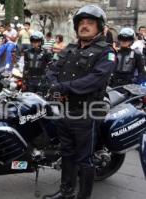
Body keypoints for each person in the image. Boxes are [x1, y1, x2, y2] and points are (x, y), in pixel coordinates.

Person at [45, 5, 116, 199]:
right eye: (81, 23)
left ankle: (83, 196)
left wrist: (64, 88)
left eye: (90, 23)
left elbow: (96, 79)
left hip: (87, 113)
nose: (84, 26)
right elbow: (52, 70)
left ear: (99, 26)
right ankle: (66, 192)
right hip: (64, 110)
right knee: (67, 153)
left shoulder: (106, 52)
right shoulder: (69, 49)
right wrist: (55, 86)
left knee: (84, 158)